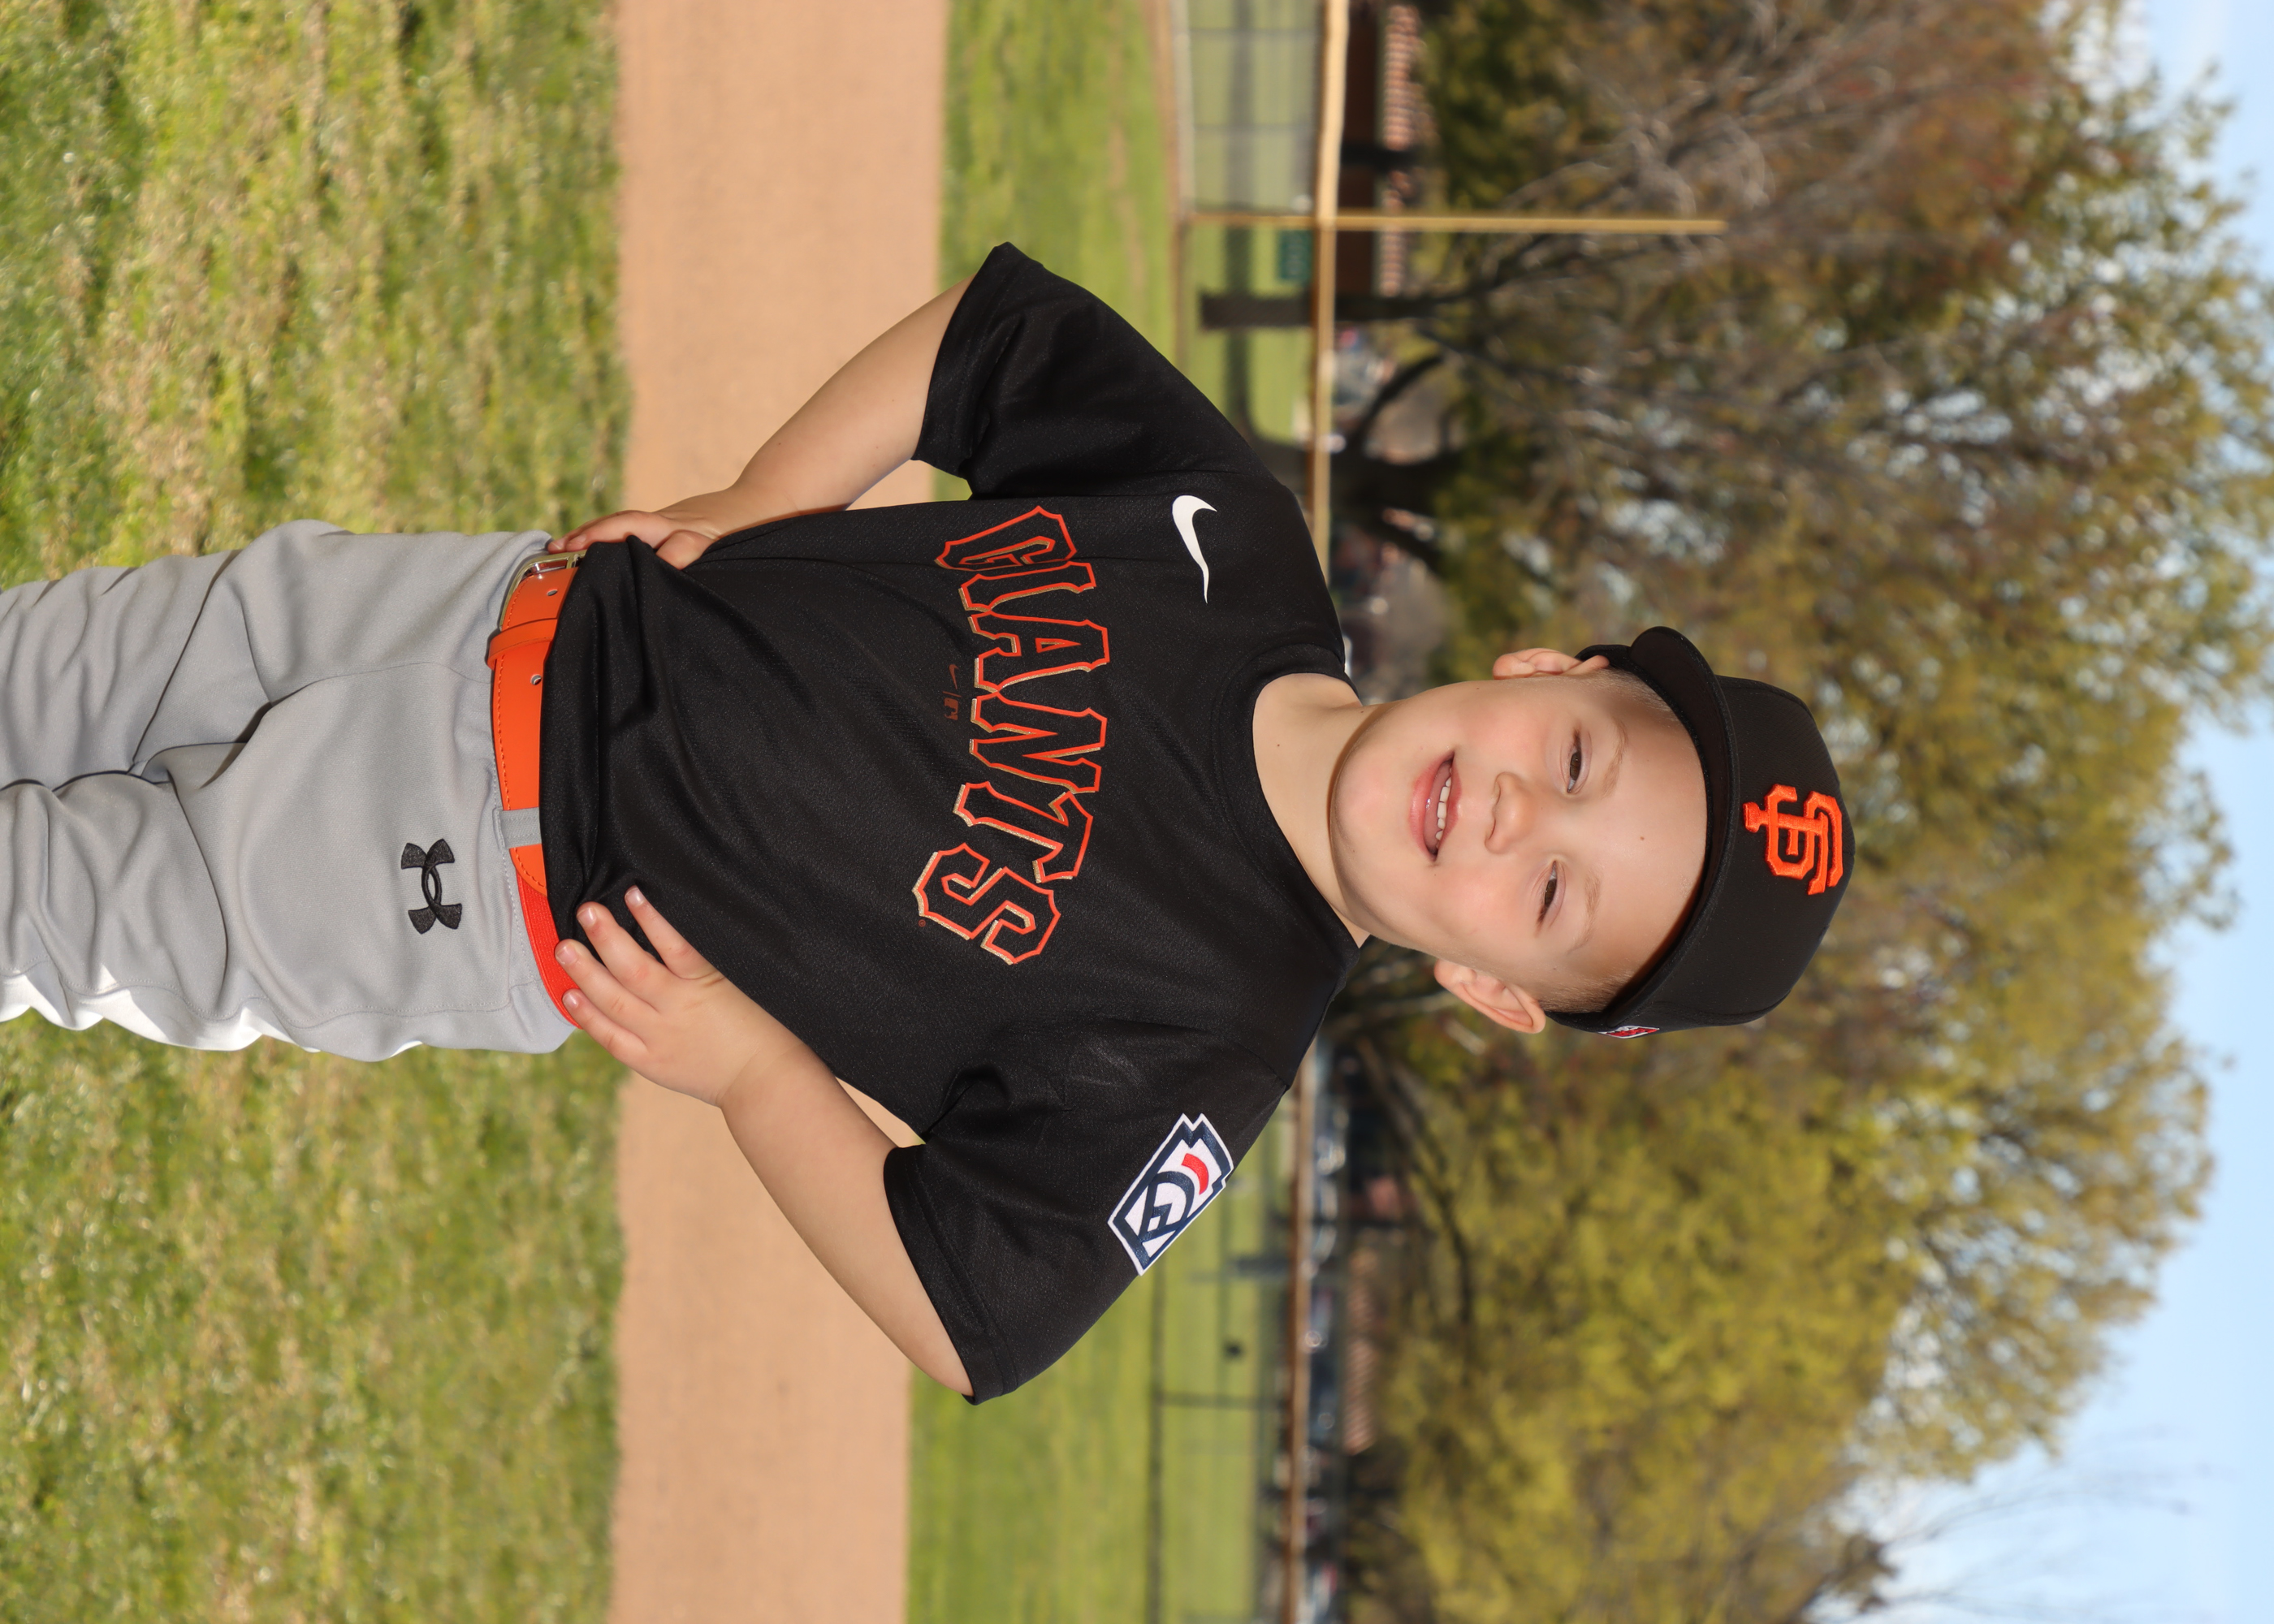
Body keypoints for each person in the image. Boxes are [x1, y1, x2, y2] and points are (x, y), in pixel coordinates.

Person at [0, 245, 1852, 1400]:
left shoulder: (1203, 1054)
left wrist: (754, 1076)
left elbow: (972, 1314)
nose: (1515, 815)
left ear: (1495, 991)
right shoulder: (1229, 537)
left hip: (472, 879)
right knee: (43, 665)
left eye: (1551, 896)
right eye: (1580, 759)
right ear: (1544, 666)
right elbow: (989, 336)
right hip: (477, 603)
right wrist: (755, 498)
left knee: (43, 901)